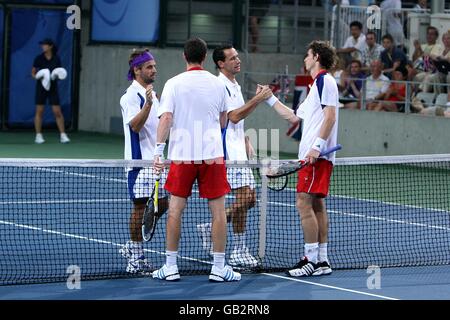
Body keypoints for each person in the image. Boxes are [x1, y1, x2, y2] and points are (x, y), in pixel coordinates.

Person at [152, 38, 241, 282]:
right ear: (204, 58)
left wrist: (158, 152)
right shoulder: (218, 85)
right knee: (219, 213)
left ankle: (170, 267)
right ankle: (219, 268)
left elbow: (166, 118)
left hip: (182, 157)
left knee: (174, 211)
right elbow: (224, 121)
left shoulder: (173, 83)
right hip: (212, 156)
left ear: (184, 57)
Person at [264, 41, 339, 277]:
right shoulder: (316, 85)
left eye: (307, 55)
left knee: (303, 204)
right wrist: (269, 99)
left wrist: (316, 148)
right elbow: (295, 118)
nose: (304, 59)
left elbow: (330, 117)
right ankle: (322, 260)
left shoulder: (325, 80)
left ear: (316, 56)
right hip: (311, 157)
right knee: (316, 205)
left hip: (315, 158)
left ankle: (310, 259)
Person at [196, 44, 272, 268]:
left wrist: (246, 141)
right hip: (227, 153)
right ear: (221, 63)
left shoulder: (235, 85)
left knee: (249, 200)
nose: (238, 61)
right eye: (232, 58)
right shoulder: (220, 85)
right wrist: (258, 99)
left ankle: (234, 245)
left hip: (239, 150)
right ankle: (235, 247)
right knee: (246, 199)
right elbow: (234, 117)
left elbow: (238, 121)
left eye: (238, 57)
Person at [118, 49, 169, 273]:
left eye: (155, 66)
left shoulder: (153, 94)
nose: (154, 70)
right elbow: (135, 126)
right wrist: (147, 104)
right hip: (140, 164)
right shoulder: (130, 96)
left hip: (157, 162)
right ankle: (136, 259)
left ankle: (131, 244)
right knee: (140, 209)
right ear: (136, 70)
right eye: (149, 67)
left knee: (163, 204)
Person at [31, 38, 70, 144]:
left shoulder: (56, 59)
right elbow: (33, 73)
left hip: (53, 88)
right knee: (39, 111)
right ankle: (38, 136)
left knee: (57, 112)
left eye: (44, 45)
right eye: (42, 45)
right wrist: (38, 76)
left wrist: (54, 76)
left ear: (50, 46)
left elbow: (60, 73)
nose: (43, 46)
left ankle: (63, 135)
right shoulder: (39, 58)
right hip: (41, 88)